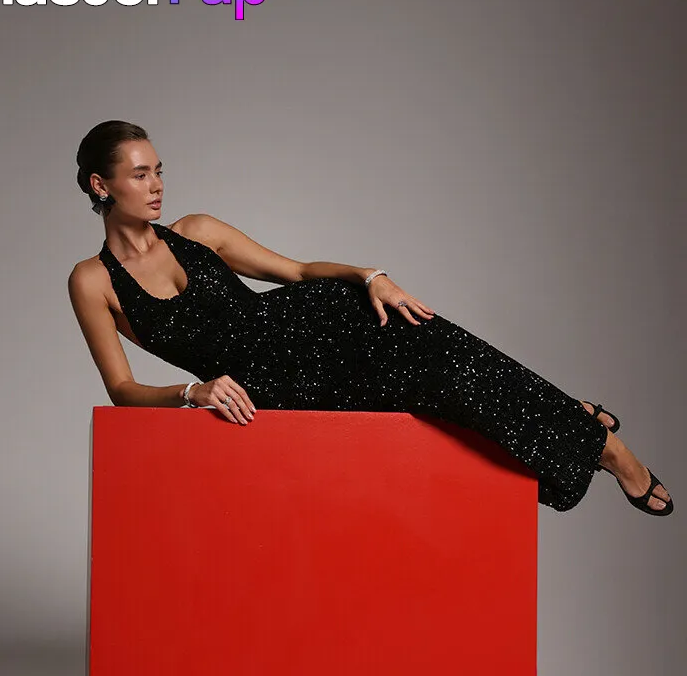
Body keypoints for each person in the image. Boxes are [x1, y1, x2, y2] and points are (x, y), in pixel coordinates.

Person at [68, 120, 673, 516]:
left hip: (325, 326)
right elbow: (121, 389)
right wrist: (193, 391)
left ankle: (608, 449)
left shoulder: (197, 231)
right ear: (101, 184)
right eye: (140, 174)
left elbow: (297, 272)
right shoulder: (93, 281)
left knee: (455, 362)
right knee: (447, 396)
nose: (157, 185)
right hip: (279, 389)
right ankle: (575, 420)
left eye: (159, 170)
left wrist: (368, 276)